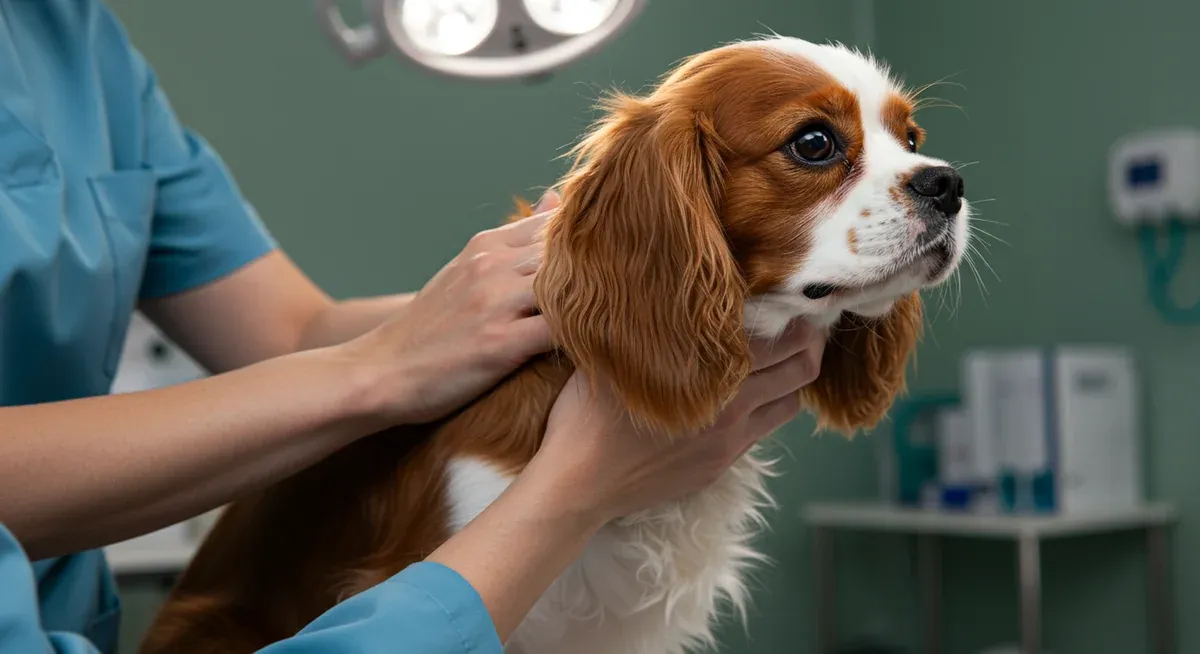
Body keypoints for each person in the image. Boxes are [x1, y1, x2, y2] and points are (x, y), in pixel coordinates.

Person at [0, 2, 827, 653]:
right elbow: (352, 364)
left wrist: (607, 296)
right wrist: (383, 373)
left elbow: (295, 332)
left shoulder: (73, 37)